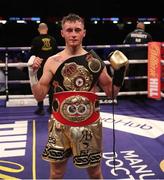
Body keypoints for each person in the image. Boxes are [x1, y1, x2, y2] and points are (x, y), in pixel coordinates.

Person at [28, 13, 128, 179]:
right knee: (56, 173)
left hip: (89, 125)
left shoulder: (94, 61)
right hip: (59, 124)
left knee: (95, 173)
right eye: (69, 30)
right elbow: (39, 96)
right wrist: (32, 73)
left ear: (84, 32)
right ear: (62, 33)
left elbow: (112, 93)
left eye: (77, 30)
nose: (73, 34)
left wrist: (120, 72)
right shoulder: (53, 61)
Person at [30, 22, 58, 115]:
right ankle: (51, 108)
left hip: (40, 66)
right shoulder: (53, 40)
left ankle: (40, 108)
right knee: (51, 87)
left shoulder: (36, 40)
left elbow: (32, 54)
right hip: (51, 66)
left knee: (40, 86)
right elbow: (56, 54)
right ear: (47, 29)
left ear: (39, 29)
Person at [123, 22, 152, 91]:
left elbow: (124, 47)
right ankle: (141, 94)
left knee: (131, 76)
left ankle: (131, 93)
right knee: (142, 77)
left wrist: (126, 58)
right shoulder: (147, 35)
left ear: (136, 27)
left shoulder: (129, 35)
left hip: (131, 60)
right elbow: (152, 49)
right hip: (143, 61)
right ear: (143, 27)